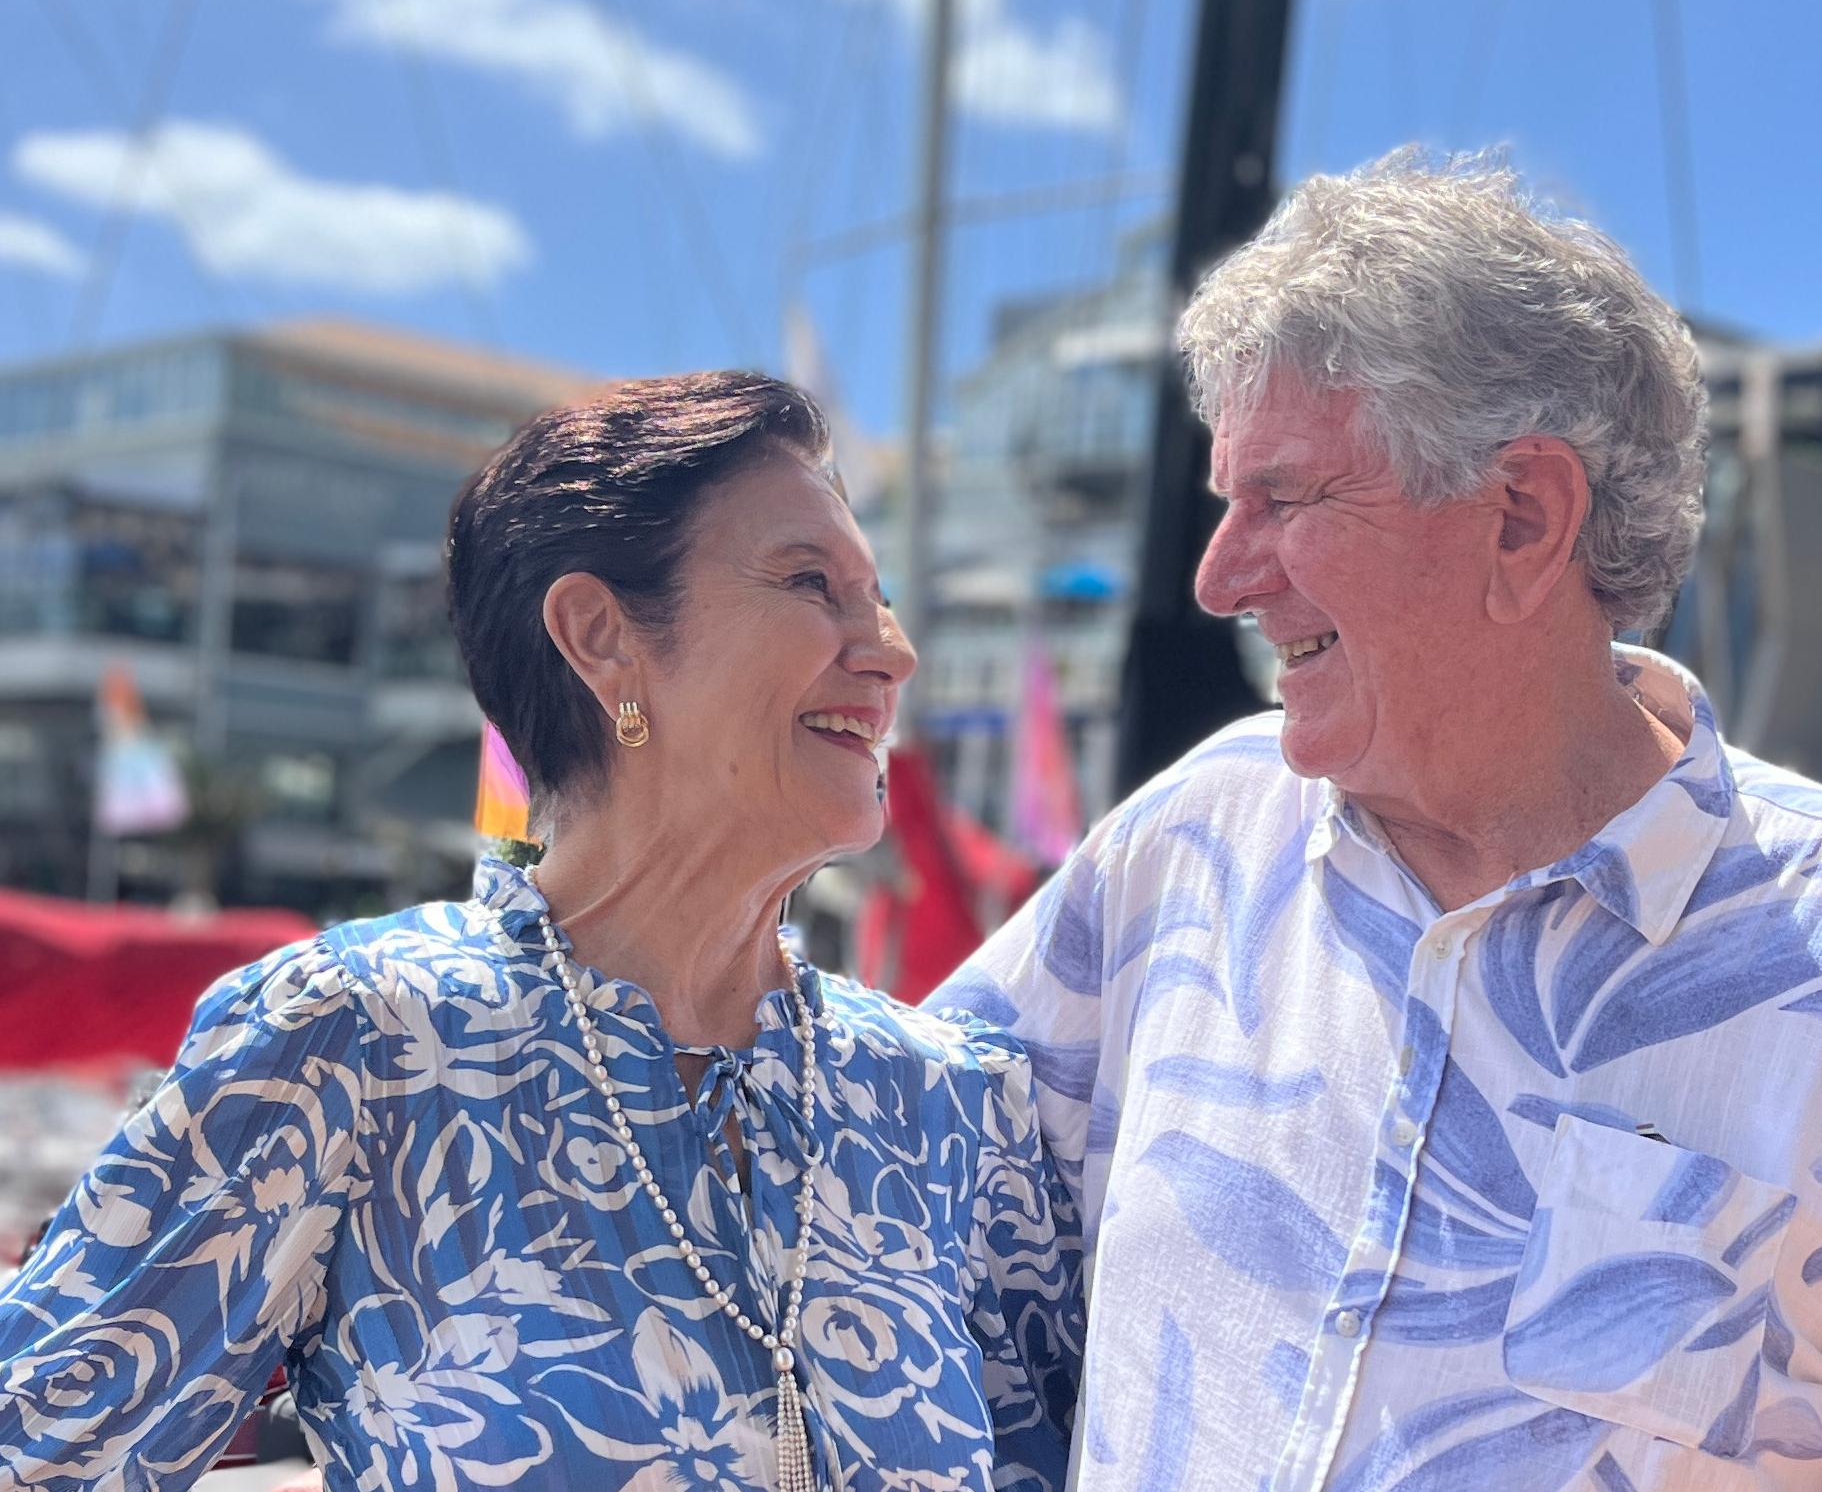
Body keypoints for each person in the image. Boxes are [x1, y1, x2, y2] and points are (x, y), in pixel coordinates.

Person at [935, 152, 1822, 1490]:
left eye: (1284, 498)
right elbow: (877, 1169)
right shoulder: (1188, 840)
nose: (1219, 573)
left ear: (1522, 515)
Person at [0, 373, 1082, 1489]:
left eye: (880, 595)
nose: (892, 650)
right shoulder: (359, 1040)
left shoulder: (949, 1103)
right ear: (600, 634)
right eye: (815, 584)